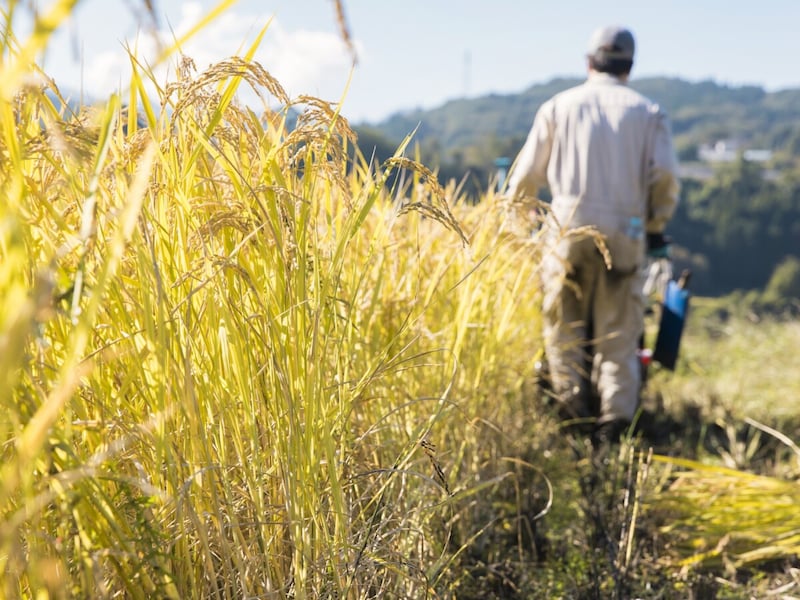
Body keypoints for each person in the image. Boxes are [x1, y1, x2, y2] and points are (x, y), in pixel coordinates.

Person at [505, 25, 680, 445]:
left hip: (565, 230)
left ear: (588, 61)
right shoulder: (648, 112)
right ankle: (615, 423)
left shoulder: (558, 106)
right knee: (619, 331)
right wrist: (655, 226)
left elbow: (525, 176)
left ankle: (571, 415)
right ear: (630, 65)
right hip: (626, 233)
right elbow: (666, 177)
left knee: (563, 326)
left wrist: (518, 222)